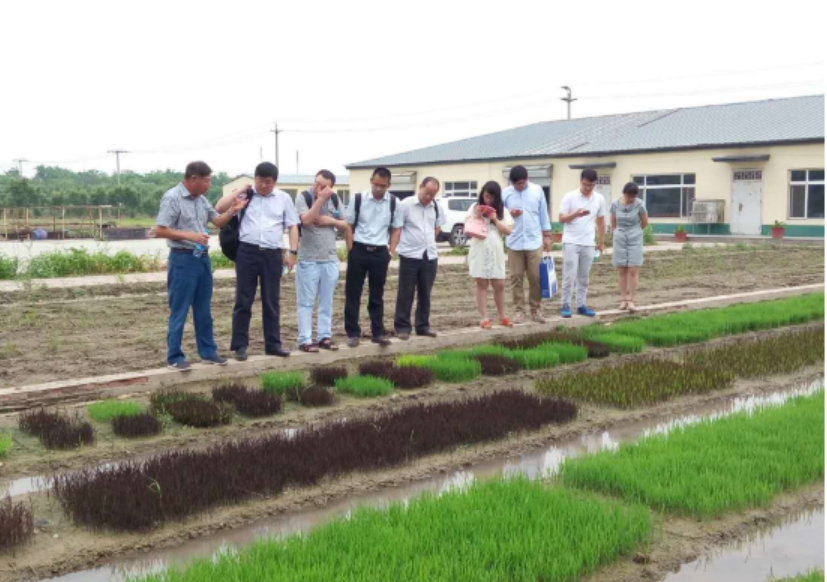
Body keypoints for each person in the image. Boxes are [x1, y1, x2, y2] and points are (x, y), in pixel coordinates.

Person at [155, 161, 249, 371]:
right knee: (179, 309)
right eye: (206, 180)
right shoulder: (173, 197)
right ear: (193, 179)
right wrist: (191, 235)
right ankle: (174, 356)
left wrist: (233, 210)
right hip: (182, 259)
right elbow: (160, 229)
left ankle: (207, 351)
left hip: (202, 259)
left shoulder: (201, 199)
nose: (208, 185)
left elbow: (218, 222)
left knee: (204, 309)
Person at [215, 162, 300, 360]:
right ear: (255, 179)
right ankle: (240, 345)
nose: (263, 186)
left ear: (275, 182)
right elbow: (219, 207)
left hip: (272, 254)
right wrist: (240, 191)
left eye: (268, 182)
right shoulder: (246, 194)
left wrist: (293, 252)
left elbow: (293, 226)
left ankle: (273, 344)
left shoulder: (283, 198)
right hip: (247, 252)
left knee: (271, 301)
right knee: (243, 300)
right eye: (260, 181)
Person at [344, 167, 403, 347]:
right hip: (359, 250)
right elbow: (348, 224)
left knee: (377, 294)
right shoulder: (358, 198)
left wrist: (390, 251)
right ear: (371, 181)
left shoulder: (394, 203)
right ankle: (353, 333)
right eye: (376, 184)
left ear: (388, 185)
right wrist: (350, 249)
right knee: (353, 293)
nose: (378, 188)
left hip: (380, 252)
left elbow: (396, 228)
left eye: (382, 186)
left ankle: (377, 332)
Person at [294, 169, 351, 352]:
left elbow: (346, 225)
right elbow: (306, 220)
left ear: (331, 187)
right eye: (316, 182)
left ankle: (324, 337)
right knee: (306, 301)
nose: (318, 187)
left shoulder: (335, 199)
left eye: (324, 186)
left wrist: (329, 220)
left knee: (327, 301)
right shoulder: (303, 197)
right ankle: (305, 339)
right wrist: (319, 200)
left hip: (330, 258)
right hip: (308, 259)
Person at [393, 177, 445, 340]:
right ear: (420, 187)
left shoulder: (436, 206)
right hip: (409, 254)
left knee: (425, 293)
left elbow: (437, 227)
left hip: (429, 255)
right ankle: (402, 327)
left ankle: (422, 325)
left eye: (433, 194)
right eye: (427, 192)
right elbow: (397, 227)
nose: (428, 197)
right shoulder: (406, 205)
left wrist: (427, 240)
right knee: (406, 292)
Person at [502, 165, 553, 324]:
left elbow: (544, 213)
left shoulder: (537, 191)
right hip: (514, 241)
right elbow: (499, 216)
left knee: (535, 277)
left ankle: (536, 310)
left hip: (534, 240)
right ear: (512, 182)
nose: (520, 186)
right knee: (516, 277)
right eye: (517, 184)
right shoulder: (506, 193)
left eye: (522, 183)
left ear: (527, 179)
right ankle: (519, 311)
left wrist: (547, 235)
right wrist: (510, 213)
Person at [558, 169, 606, 318]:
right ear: (580, 181)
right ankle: (565, 304)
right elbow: (561, 218)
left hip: (588, 242)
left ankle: (581, 305)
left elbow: (601, 221)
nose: (588, 188)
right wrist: (576, 214)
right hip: (571, 241)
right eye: (585, 185)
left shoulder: (599, 199)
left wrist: (601, 241)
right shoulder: (570, 196)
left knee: (584, 277)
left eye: (591, 185)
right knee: (569, 275)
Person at [467, 181, 514, 329]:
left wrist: (494, 218)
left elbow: (507, 231)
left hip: (495, 248)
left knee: (499, 284)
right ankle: (484, 318)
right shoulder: (474, 208)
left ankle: (502, 316)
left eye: (491, 198)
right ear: (482, 194)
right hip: (479, 247)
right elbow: (467, 227)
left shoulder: (503, 211)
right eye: (486, 196)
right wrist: (477, 216)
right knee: (481, 283)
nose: (488, 200)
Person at [611, 182, 648, 312]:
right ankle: (623, 299)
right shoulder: (615, 204)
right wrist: (617, 233)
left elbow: (644, 222)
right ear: (624, 193)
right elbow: (613, 222)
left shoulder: (640, 204)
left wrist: (635, 232)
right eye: (629, 196)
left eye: (633, 196)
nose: (631, 199)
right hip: (620, 237)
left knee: (633, 269)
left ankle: (631, 300)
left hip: (635, 237)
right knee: (621, 268)